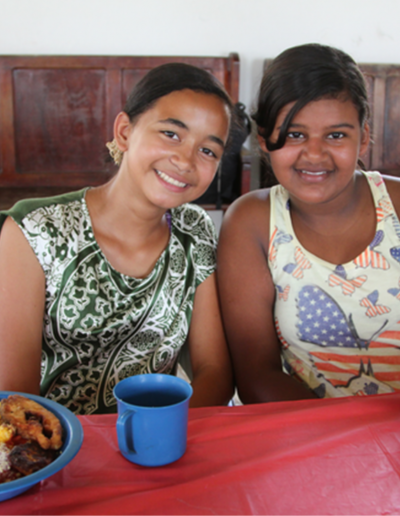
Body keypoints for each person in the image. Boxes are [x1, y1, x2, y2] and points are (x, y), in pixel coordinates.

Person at [0, 63, 234, 414]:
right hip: (55, 438)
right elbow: (15, 397)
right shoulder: (35, 231)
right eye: (171, 134)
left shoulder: (194, 230)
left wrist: (163, 431)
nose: (185, 160)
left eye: (208, 151)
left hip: (161, 433)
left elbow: (214, 369)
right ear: (124, 132)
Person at [217, 43, 400, 403]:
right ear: (264, 139)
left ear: (364, 137)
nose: (314, 154)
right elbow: (256, 376)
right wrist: (345, 432)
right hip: (304, 426)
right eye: (295, 134)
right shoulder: (252, 222)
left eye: (336, 135)